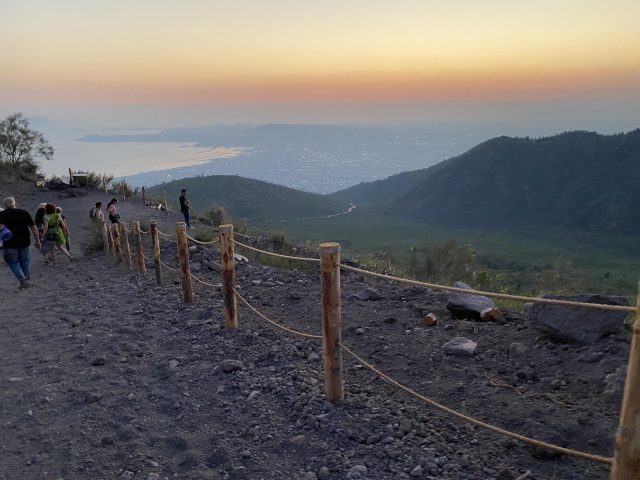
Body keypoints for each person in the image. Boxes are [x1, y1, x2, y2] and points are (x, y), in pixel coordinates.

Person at [0, 197, 41, 288]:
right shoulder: (24, 212)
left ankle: (23, 280)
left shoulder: (2, 214)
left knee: (12, 262)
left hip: (10, 243)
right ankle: (27, 279)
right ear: (14, 203)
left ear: (5, 205)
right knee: (25, 261)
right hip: (25, 242)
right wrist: (38, 241)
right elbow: (34, 229)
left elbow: (1, 228)